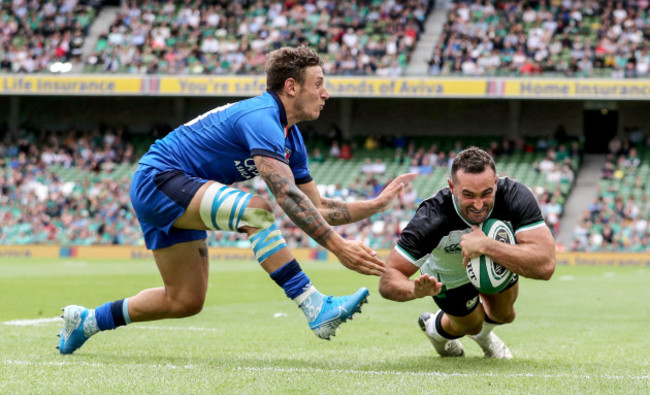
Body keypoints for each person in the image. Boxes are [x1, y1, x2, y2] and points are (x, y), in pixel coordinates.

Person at [58, 46, 416, 354]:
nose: (326, 94)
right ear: (291, 87)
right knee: (255, 210)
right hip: (160, 179)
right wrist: (338, 247)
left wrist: (375, 205)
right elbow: (286, 196)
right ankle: (314, 305)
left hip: (180, 190)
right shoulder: (262, 117)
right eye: (319, 84)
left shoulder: (292, 140)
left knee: (184, 300)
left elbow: (318, 207)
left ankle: (87, 321)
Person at [378, 147, 555, 359]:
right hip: (449, 280)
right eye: (469, 195)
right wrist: (413, 290)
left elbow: (545, 265)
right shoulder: (431, 217)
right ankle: (436, 330)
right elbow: (387, 280)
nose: (479, 205)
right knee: (472, 325)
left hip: (492, 261)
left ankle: (482, 336)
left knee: (505, 315)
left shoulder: (514, 195)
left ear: (496, 183)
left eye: (486, 193)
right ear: (452, 186)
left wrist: (486, 246)